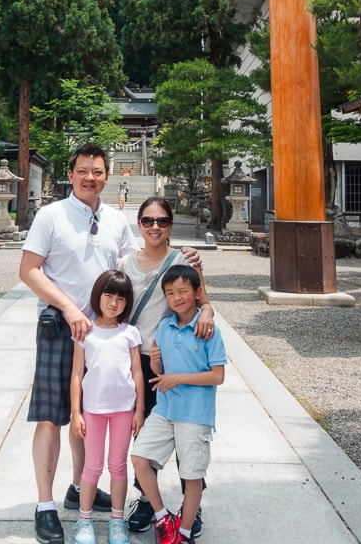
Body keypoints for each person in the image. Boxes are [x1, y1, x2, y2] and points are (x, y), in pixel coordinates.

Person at [19, 143, 202, 544]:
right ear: (70, 175)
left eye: (97, 171)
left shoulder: (117, 220)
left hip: (106, 335)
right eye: (83, 170)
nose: (90, 177)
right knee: (52, 416)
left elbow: (136, 265)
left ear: (107, 175)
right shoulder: (50, 216)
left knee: (93, 412)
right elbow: (28, 270)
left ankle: (77, 487)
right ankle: (45, 504)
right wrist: (70, 309)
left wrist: (182, 256)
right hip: (61, 327)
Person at [119, 197, 214, 537]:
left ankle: (193, 504)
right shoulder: (126, 262)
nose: (155, 227)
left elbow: (204, 300)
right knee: (145, 432)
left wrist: (206, 312)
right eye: (147, 221)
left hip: (175, 362)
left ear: (170, 224)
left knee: (186, 431)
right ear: (139, 224)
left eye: (161, 221)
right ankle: (146, 499)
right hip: (136, 359)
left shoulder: (184, 259)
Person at [131, 264, 226, 544]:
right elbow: (160, 371)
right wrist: (154, 360)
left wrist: (179, 378)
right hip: (165, 409)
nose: (176, 298)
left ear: (198, 293)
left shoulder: (208, 330)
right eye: (170, 293)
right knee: (139, 457)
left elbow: (218, 376)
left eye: (183, 291)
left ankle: (183, 534)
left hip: (195, 414)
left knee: (192, 474)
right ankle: (163, 517)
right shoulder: (164, 326)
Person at [69, 270, 143, 544]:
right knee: (92, 465)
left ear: (127, 302)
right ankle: (84, 520)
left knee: (118, 465)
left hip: (124, 409)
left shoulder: (130, 333)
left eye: (121, 298)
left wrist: (139, 410)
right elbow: (77, 374)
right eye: (108, 295)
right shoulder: (85, 331)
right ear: (97, 296)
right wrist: (76, 413)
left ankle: (117, 521)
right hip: (93, 409)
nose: (114, 302)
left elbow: (137, 374)